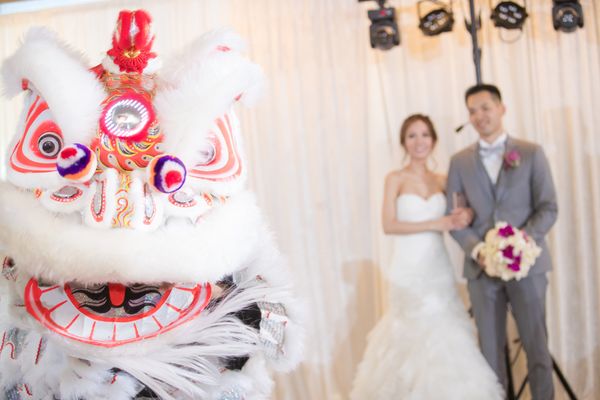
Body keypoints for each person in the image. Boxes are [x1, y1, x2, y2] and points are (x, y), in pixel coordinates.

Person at [351, 114, 503, 400]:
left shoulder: (443, 180)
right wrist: (436, 224)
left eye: (424, 135)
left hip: (438, 266)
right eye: (412, 135)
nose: (419, 141)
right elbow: (389, 225)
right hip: (407, 266)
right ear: (403, 142)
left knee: (445, 328)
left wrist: (465, 214)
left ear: (433, 140)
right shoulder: (394, 178)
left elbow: (465, 212)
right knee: (407, 328)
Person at [447, 84, 558, 399]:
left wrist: (522, 243)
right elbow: (454, 219)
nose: (479, 116)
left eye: (485, 108)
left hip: (530, 268)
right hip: (482, 273)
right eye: (472, 111)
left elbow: (549, 207)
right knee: (490, 354)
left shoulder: (531, 152)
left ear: (501, 108)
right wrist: (478, 249)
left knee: (537, 348)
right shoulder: (459, 162)